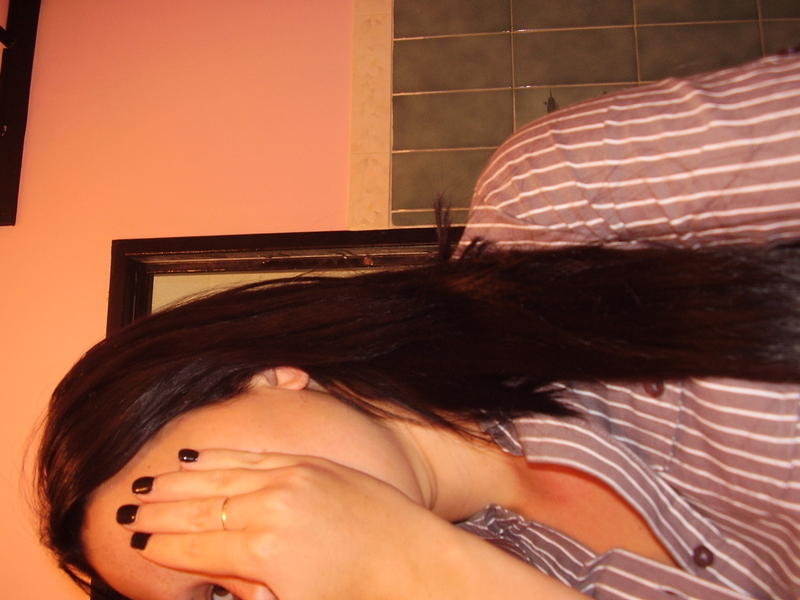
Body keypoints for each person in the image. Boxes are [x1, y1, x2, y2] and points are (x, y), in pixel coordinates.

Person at [36, 52, 800, 600]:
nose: (262, 563)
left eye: (208, 510)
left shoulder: (554, 202)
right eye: (216, 598)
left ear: (264, 370)